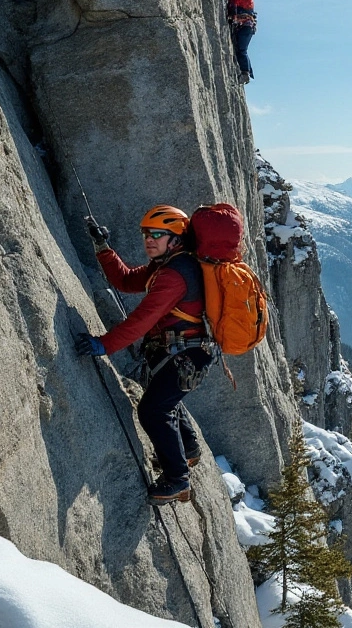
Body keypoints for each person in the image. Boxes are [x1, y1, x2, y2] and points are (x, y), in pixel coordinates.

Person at [75, 206, 214, 505]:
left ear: (175, 239)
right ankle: (188, 448)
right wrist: (103, 248)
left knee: (153, 410)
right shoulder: (166, 265)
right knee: (165, 400)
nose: (149, 240)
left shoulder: (176, 275)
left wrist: (104, 345)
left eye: (158, 234)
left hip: (186, 356)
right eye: (146, 234)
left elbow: (142, 320)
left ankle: (177, 480)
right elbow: (126, 280)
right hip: (185, 354)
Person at [223, 0, 257, 84]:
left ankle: (245, 73)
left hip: (245, 25)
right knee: (240, 49)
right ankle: (246, 71)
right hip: (244, 26)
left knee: (242, 50)